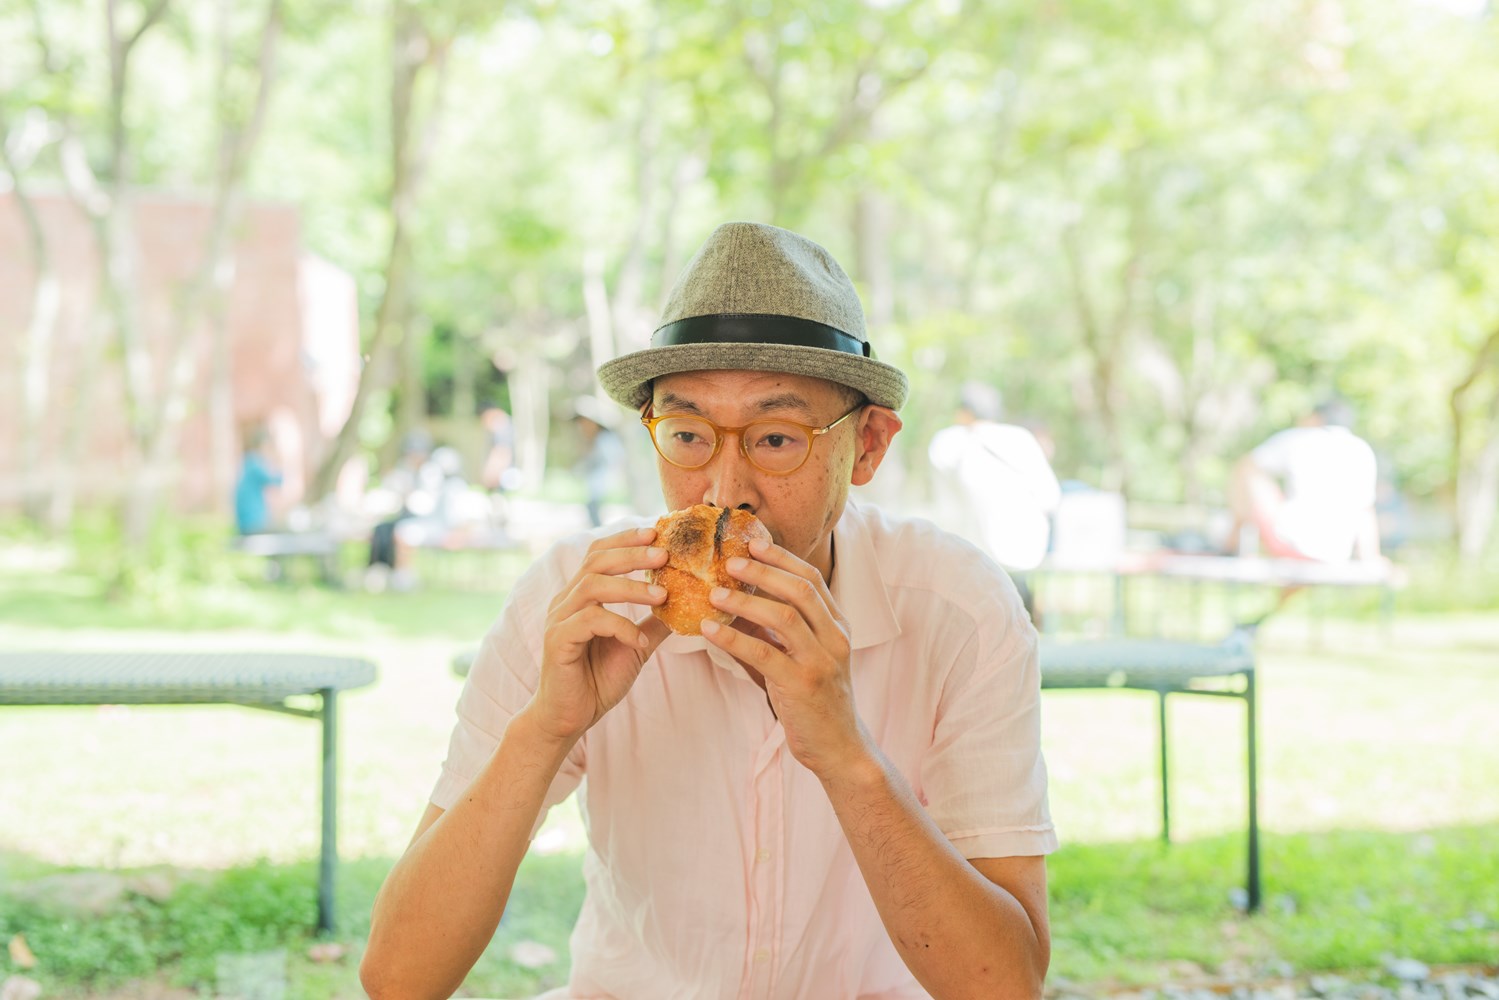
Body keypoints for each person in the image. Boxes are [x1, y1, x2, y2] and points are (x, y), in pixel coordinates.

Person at [361, 223, 1055, 1000]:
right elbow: (399, 978)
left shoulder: (959, 608)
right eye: (687, 434)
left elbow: (1005, 986)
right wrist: (546, 728)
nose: (724, 492)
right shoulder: (576, 597)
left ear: (867, 446)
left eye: (776, 439)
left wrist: (845, 753)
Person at [928, 382, 1062, 619]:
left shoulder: (949, 442)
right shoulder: (1021, 440)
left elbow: (945, 507)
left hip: (975, 567)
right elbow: (1051, 498)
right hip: (1024, 561)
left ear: (963, 413)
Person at [1226, 398, 1382, 563]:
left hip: (1289, 544)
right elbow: (1366, 510)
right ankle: (1235, 544)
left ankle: (1233, 544)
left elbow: (1246, 467)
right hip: (1337, 554)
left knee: (1248, 472)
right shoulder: (1362, 450)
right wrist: (1372, 557)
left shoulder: (1299, 438)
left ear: (1316, 418)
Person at [571, 395, 628, 528]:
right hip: (595, 491)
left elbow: (615, 462)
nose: (582, 427)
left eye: (584, 422)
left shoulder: (606, 440)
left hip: (605, 491)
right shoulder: (594, 441)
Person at [233, 425, 282, 536]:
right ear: (263, 445)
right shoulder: (254, 462)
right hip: (252, 522)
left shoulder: (249, 461)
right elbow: (276, 480)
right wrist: (279, 458)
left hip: (248, 521)